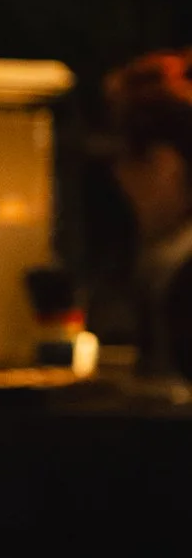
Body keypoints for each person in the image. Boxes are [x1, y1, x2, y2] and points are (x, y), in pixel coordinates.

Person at [102, 50, 192, 380]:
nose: (122, 179)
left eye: (127, 161)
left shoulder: (184, 274)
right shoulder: (170, 261)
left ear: (164, 165)